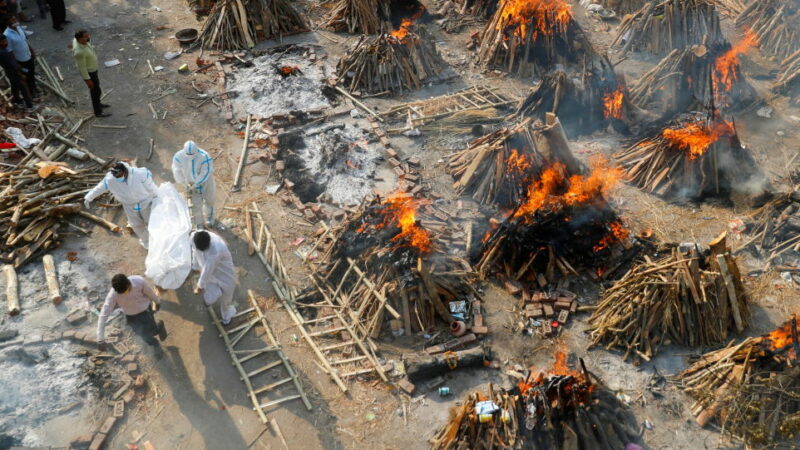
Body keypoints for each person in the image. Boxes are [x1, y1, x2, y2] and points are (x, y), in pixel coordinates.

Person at [84, 161, 158, 249]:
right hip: (129, 205)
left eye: (119, 176)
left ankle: (158, 239)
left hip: (145, 201)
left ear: (125, 171)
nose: (118, 178)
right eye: (116, 177)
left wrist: (157, 196)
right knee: (136, 224)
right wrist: (89, 197)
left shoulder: (140, 174)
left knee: (152, 221)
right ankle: (147, 241)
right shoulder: (110, 179)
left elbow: (151, 186)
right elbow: (100, 187)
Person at [97, 274, 167, 350]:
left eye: (127, 290)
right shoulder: (113, 295)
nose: (126, 293)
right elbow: (103, 315)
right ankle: (156, 345)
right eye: (122, 293)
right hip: (131, 316)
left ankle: (159, 326)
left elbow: (150, 292)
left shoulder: (139, 281)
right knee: (142, 334)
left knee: (152, 330)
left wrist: (157, 302)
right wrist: (100, 339)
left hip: (145, 311)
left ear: (128, 282)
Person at [191, 230, 237, 325]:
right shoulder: (194, 237)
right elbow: (194, 251)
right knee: (210, 295)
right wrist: (195, 266)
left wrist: (199, 287)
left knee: (227, 297)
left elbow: (207, 270)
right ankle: (208, 301)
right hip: (210, 274)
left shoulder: (216, 250)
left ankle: (226, 316)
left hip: (224, 273)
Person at [172, 140, 217, 227]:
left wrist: (197, 183)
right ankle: (199, 224)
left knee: (209, 200)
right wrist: (183, 182)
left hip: (206, 181)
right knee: (196, 204)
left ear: (197, 150)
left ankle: (209, 218)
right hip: (190, 182)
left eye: (192, 155)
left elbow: (205, 172)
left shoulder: (204, 156)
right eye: (188, 155)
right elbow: (176, 170)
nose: (190, 157)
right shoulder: (178, 156)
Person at [72, 29, 109, 117]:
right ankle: (98, 112)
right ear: (79, 39)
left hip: (93, 70)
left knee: (97, 90)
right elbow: (82, 68)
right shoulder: (79, 52)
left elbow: (73, 42)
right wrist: (87, 80)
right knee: (95, 92)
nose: (88, 38)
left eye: (88, 35)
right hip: (90, 73)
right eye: (85, 37)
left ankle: (99, 104)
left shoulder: (79, 41)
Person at [3, 16, 37, 99]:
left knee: (32, 73)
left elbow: (25, 40)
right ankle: (31, 93)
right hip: (21, 60)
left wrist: (32, 51)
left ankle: (34, 88)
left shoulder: (19, 28)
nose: (15, 20)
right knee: (26, 76)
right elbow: (10, 51)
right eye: (13, 19)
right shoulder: (7, 35)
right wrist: (17, 64)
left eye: (15, 19)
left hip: (28, 55)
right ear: (8, 22)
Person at [0, 34, 31, 110]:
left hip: (9, 72)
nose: (6, 42)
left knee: (14, 86)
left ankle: (17, 99)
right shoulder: (5, 53)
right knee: (23, 88)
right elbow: (13, 66)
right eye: (4, 41)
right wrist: (20, 75)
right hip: (14, 72)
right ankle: (29, 105)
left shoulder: (3, 50)